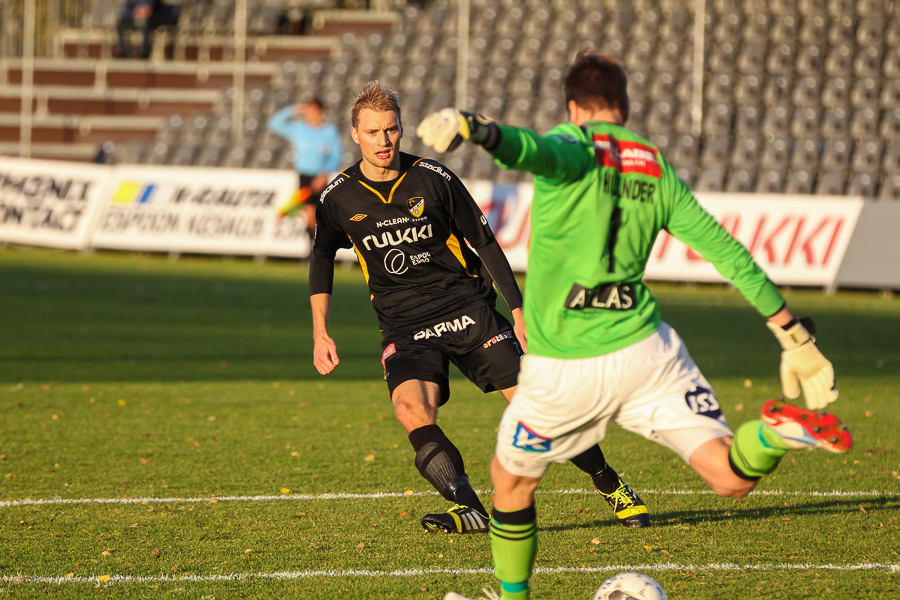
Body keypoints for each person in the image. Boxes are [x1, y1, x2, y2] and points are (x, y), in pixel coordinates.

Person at [417, 48, 851, 599]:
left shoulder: (572, 146)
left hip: (566, 363)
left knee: (510, 483)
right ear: (623, 105)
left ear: (574, 108)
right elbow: (726, 250)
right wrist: (793, 335)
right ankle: (772, 433)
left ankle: (513, 598)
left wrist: (474, 127)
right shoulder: (654, 163)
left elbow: (533, 150)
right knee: (727, 475)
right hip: (648, 352)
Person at [309, 80, 651, 535]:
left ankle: (610, 484)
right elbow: (321, 259)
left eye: (391, 130)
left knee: (538, 410)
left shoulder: (435, 178)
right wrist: (320, 330)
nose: (383, 141)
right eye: (373, 132)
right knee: (411, 411)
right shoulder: (338, 197)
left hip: (467, 310)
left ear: (401, 129)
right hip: (405, 326)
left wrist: (519, 310)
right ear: (355, 134)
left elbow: (484, 241)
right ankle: (468, 506)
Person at [267, 97, 344, 239]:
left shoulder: (329, 131)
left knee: (318, 214)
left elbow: (336, 155)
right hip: (304, 176)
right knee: (309, 212)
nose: (309, 114)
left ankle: (318, 249)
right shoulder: (299, 129)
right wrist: (293, 109)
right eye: (307, 110)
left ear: (321, 112)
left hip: (321, 176)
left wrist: (325, 173)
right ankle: (313, 250)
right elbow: (273, 124)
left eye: (312, 110)